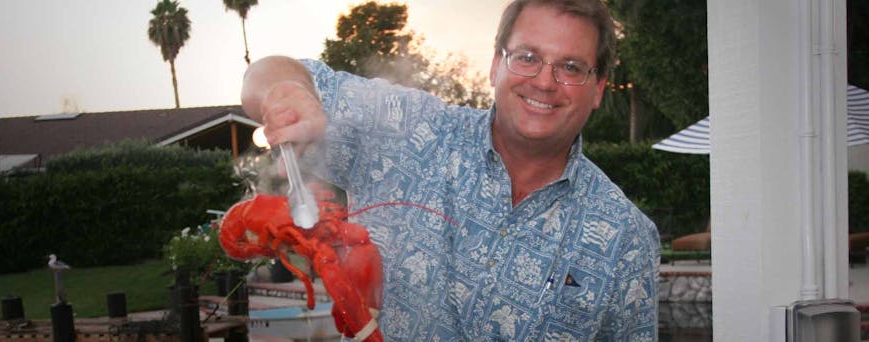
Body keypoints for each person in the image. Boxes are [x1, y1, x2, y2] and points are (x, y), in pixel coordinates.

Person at [241, 0, 659, 340]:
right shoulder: (408, 128)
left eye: (570, 67)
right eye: (527, 57)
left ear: (599, 87)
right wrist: (289, 92)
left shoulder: (627, 237)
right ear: (495, 64)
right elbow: (270, 72)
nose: (545, 81)